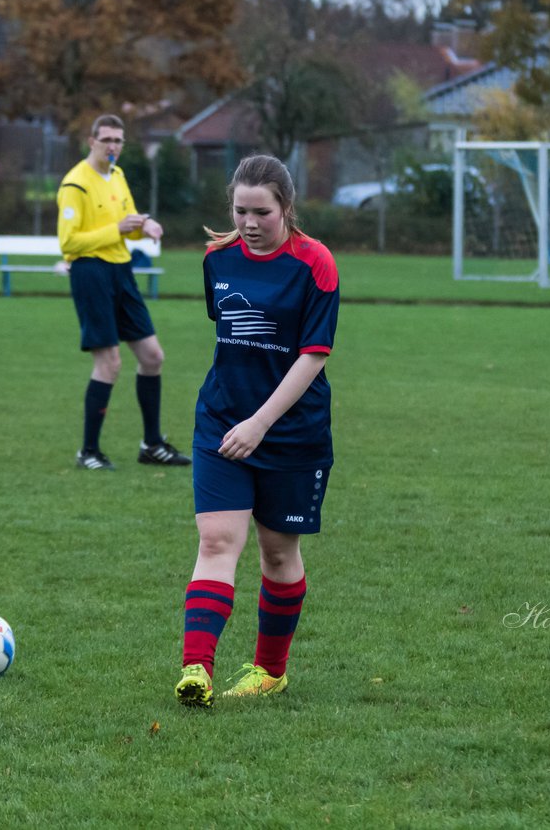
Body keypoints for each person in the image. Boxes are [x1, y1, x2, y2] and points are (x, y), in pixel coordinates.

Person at [174, 154, 339, 708]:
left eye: (261, 212)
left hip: (292, 432)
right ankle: (196, 668)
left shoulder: (316, 263)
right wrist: (240, 420)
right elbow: (227, 336)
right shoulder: (217, 258)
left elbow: (313, 355)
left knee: (276, 555)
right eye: (240, 210)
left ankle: (270, 671)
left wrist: (261, 423)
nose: (248, 222)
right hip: (221, 422)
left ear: (287, 209)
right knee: (217, 541)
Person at [56, 114, 191, 471]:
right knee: (110, 362)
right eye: (107, 140)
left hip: (121, 270)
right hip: (90, 272)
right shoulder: (75, 184)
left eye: (119, 140)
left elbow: (129, 222)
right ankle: (88, 451)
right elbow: (68, 242)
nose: (113, 147)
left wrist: (146, 226)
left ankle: (152, 445)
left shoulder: (117, 176)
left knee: (152, 356)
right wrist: (117, 228)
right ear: (91, 141)